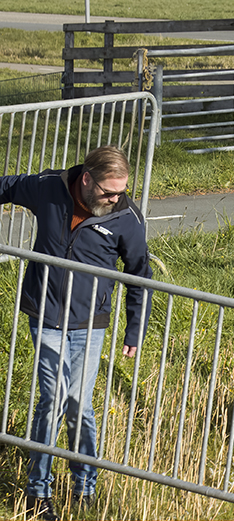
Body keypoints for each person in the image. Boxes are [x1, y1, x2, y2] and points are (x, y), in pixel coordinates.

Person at [0, 145, 153, 520]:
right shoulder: (48, 187)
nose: (115, 199)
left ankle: (83, 485)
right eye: (108, 191)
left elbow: (140, 277)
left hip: (89, 324)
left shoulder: (126, 217)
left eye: (120, 191)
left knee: (78, 405)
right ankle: (38, 492)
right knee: (52, 401)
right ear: (86, 179)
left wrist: (135, 329)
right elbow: (4, 187)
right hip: (46, 315)